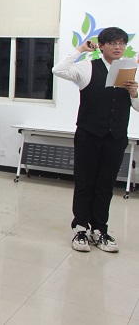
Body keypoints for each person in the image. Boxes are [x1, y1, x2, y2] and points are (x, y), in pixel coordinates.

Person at [52, 27, 139, 253]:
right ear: (101, 46)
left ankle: (99, 229)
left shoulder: (130, 70)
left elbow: (137, 107)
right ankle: (80, 228)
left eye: (121, 43)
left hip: (115, 137)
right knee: (85, 182)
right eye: (112, 43)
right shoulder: (87, 67)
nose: (118, 47)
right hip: (89, 135)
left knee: (105, 185)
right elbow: (58, 70)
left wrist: (134, 93)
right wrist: (80, 49)